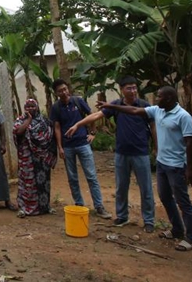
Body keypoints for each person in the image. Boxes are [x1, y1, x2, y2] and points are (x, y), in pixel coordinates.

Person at [99, 85, 192, 251]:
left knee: (183, 201)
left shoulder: (183, 116)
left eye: (159, 97)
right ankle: (177, 230)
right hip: (162, 164)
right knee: (166, 198)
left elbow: (190, 143)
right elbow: (133, 110)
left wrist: (190, 169)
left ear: (168, 99)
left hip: (176, 166)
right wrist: (111, 106)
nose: (156, 99)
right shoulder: (157, 110)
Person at [65, 76, 156, 233]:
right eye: (129, 88)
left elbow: (153, 126)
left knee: (146, 188)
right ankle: (122, 216)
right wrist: (78, 124)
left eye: (135, 87)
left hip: (141, 152)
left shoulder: (143, 106)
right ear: (122, 90)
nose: (133, 91)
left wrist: (156, 146)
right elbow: (97, 116)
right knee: (121, 187)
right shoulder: (116, 105)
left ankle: (149, 220)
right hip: (121, 153)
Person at [50, 79, 112, 220]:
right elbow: (57, 128)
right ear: (56, 93)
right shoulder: (56, 108)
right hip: (68, 147)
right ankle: (79, 205)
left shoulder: (78, 101)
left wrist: (92, 133)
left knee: (91, 176)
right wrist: (60, 147)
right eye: (60, 90)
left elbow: (91, 116)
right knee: (72, 178)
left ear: (68, 89)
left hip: (83, 144)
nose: (64, 92)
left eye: (65, 89)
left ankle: (99, 206)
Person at [12, 98, 58, 217]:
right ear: (24, 108)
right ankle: (24, 208)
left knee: (44, 183)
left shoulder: (44, 121)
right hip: (27, 157)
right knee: (28, 183)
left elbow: (49, 137)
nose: (30, 108)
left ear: (37, 107)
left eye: (33, 106)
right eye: (28, 106)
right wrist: (29, 120)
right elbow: (18, 132)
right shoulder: (20, 120)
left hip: (42, 158)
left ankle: (44, 207)